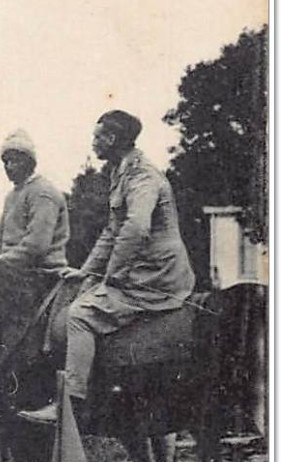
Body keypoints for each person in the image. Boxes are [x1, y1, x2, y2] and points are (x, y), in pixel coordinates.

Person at [22, 109, 194, 423]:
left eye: (97, 136)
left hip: (155, 275)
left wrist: (111, 277)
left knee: (79, 315)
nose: (93, 142)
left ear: (112, 139)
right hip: (142, 268)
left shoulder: (142, 177)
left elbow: (135, 229)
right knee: (74, 291)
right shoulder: (121, 172)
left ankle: (69, 404)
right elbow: (112, 231)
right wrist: (87, 272)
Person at [0, 129, 70, 270]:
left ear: (29, 162)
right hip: (10, 270)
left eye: (15, 160)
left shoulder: (43, 192)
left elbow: (36, 245)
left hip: (41, 271)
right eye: (6, 161)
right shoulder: (11, 196)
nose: (9, 166)